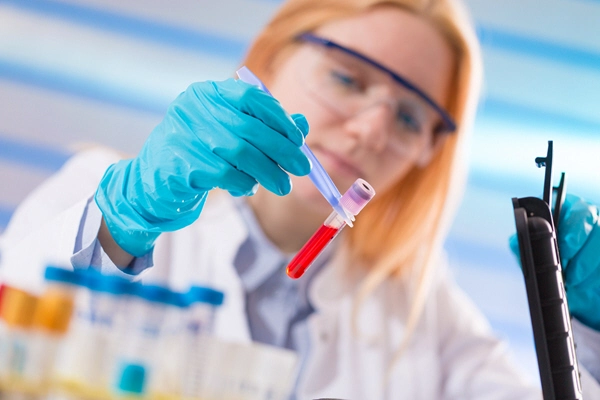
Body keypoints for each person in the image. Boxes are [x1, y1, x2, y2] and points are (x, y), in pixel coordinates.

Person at [1, 0, 599, 398]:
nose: (370, 131)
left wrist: (590, 330)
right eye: (347, 78)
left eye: (410, 115)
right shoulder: (105, 193)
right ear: (267, 61)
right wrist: (122, 222)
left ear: (428, 152)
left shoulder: (426, 313)